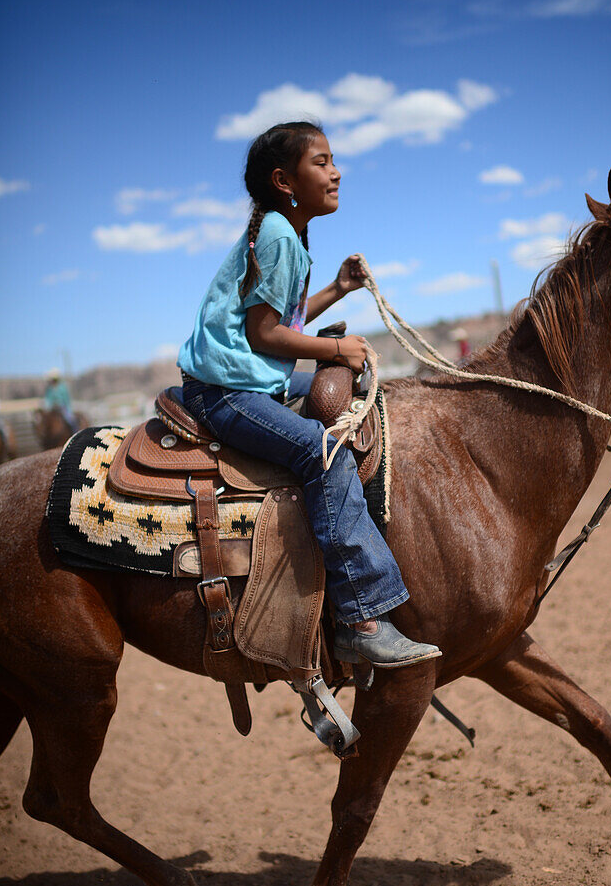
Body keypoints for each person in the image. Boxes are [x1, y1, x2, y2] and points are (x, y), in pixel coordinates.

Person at [179, 121, 441, 669]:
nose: (336, 170)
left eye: (333, 159)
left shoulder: (288, 232)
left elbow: (286, 319)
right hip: (226, 391)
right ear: (285, 180)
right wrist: (335, 350)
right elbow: (264, 334)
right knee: (320, 452)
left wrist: (338, 291)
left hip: (255, 377)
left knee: (367, 404)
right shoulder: (278, 233)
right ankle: (361, 616)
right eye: (321, 162)